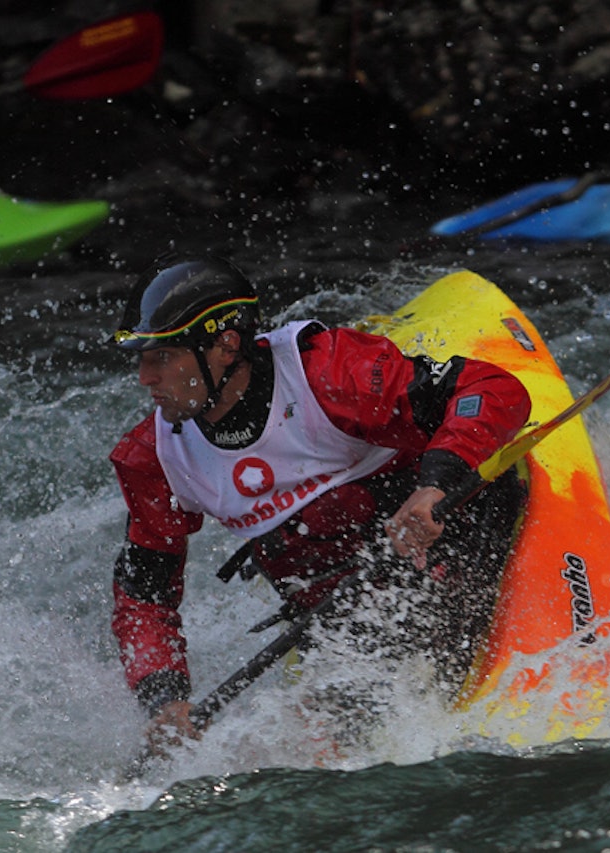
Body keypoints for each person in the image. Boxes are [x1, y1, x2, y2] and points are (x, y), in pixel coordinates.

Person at [107, 255, 532, 750]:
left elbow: (492, 389)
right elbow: (144, 597)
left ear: (225, 345)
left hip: (454, 536)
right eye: (141, 358)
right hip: (345, 612)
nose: (143, 377)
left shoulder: (329, 373)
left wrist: (436, 483)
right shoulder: (151, 458)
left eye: (161, 356)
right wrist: (165, 699)